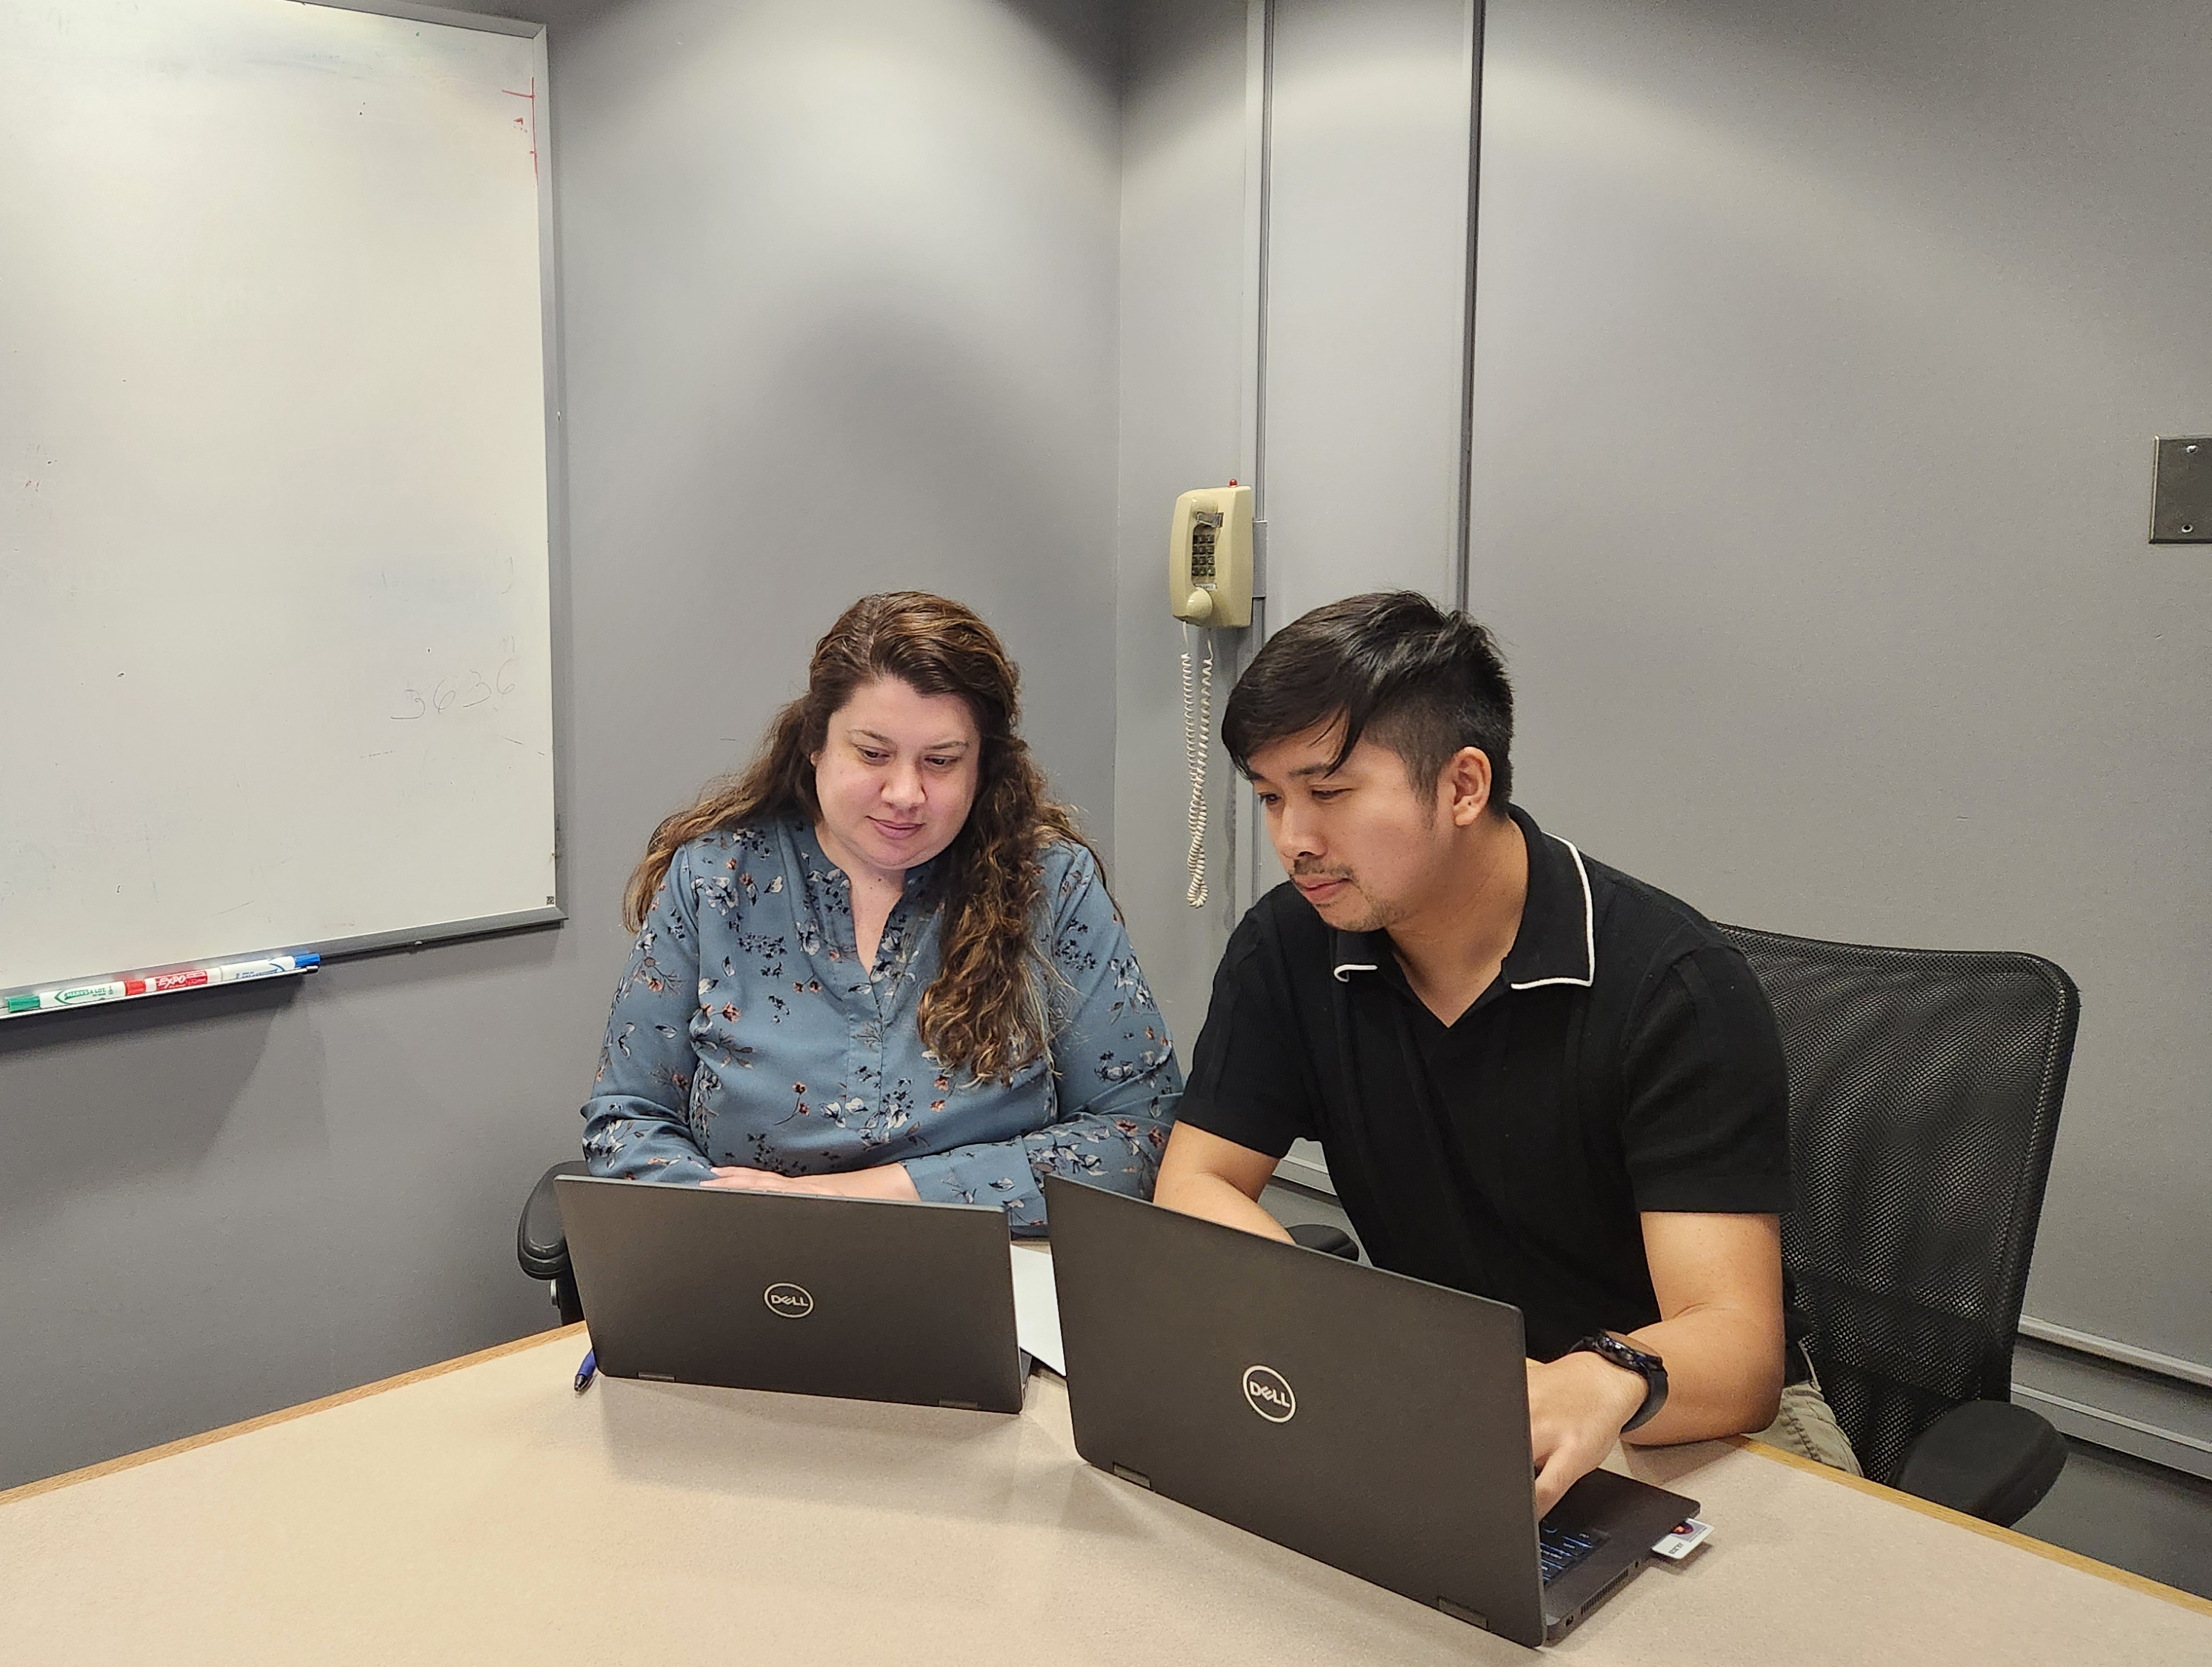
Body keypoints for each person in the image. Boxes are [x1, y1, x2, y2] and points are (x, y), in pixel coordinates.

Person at [1153, 590, 1857, 1515]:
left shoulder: (1671, 986)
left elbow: (1737, 1350)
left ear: (1461, 786)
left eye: (1328, 793)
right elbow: (1194, 1183)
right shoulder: (1291, 945)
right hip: (1454, 1400)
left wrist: (1598, 1377)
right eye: (1271, 798)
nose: (1294, 841)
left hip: (1685, 1421)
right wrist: (1342, 1331)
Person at [581, 591, 1178, 1232]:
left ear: (984, 766)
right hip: (754, 1261)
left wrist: (856, 1198)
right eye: (872, 754)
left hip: (989, 1273)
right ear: (816, 745)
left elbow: (1139, 1135)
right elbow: (628, 1124)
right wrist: (743, 1218)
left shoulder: (1049, 884)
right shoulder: (716, 878)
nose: (904, 794)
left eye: (941, 762)